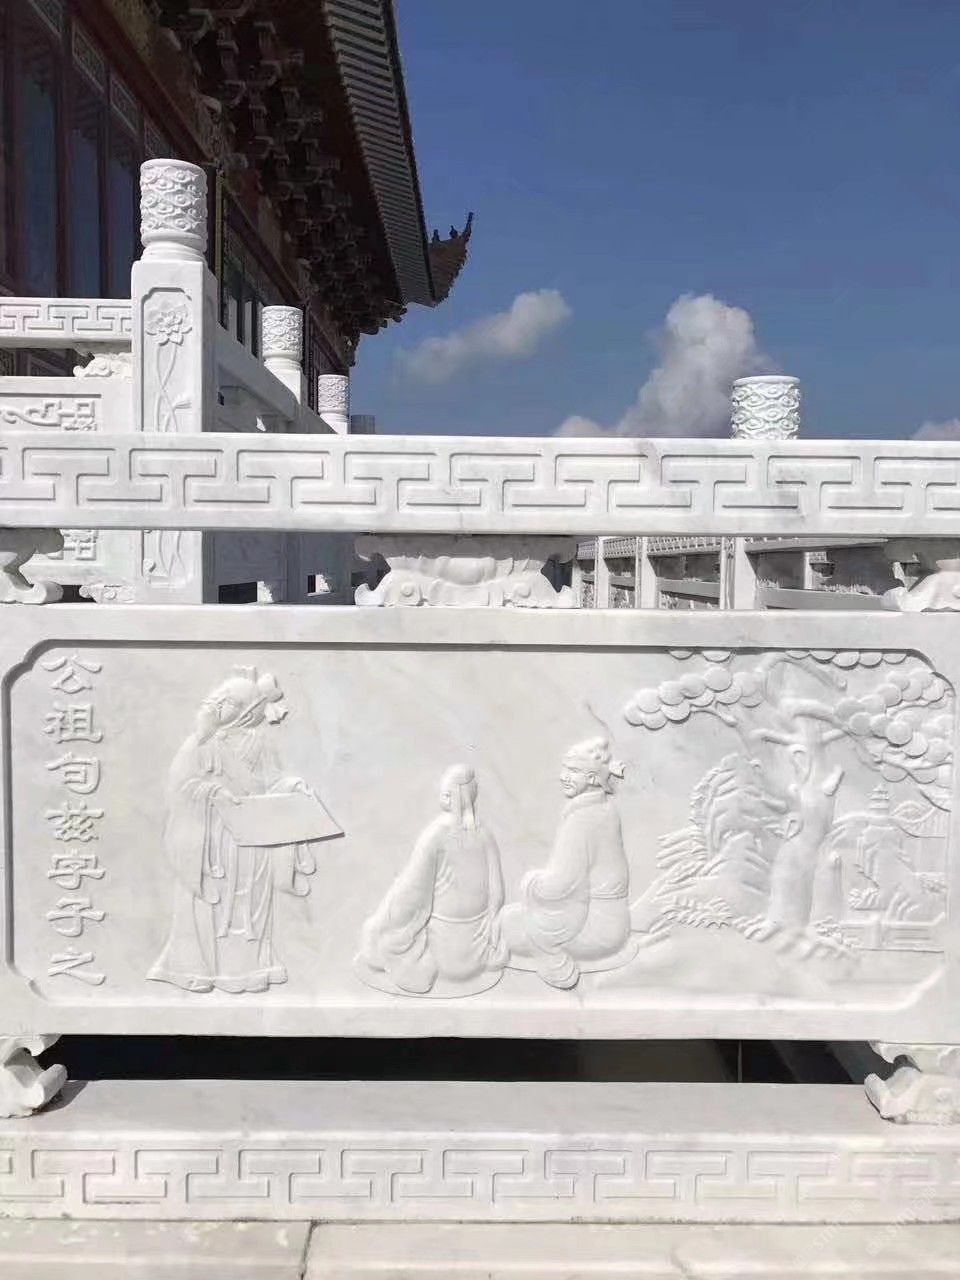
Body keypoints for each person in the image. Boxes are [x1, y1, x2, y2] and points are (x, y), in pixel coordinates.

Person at [148, 666, 329, 994]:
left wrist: (291, 786)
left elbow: (270, 782)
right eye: (222, 701)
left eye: (233, 703)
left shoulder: (259, 743)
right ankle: (198, 969)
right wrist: (212, 792)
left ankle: (248, 970)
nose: (223, 708)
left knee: (251, 907)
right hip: (211, 846)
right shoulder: (200, 744)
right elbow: (178, 789)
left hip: (251, 837)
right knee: (213, 910)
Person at [357, 764, 507, 996]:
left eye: (446, 793)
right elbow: (497, 892)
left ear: (452, 797)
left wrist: (383, 920)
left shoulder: (437, 833)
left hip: (442, 951)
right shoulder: (485, 834)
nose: (442, 796)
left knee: (377, 933)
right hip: (478, 949)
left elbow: (411, 891)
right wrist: (493, 922)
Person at [501, 737, 633, 989]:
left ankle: (555, 964)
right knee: (510, 919)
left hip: (594, 926)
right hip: (610, 919)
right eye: (565, 769)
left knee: (506, 924)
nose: (564, 776)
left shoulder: (584, 819)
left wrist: (530, 882)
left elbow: (558, 886)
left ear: (593, 778)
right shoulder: (603, 809)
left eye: (573, 771)